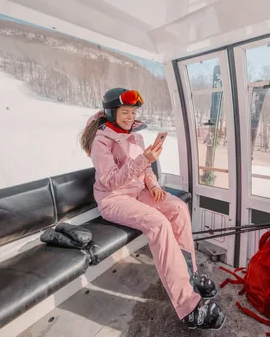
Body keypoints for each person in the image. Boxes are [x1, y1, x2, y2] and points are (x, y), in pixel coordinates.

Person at [80, 88, 226, 330]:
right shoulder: (101, 141)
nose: (130, 117)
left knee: (178, 208)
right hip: (114, 199)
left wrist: (154, 183)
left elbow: (145, 170)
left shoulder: (135, 135)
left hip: (139, 192)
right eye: (124, 112)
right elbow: (111, 181)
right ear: (110, 112)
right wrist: (144, 160)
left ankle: (189, 276)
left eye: (133, 112)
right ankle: (188, 306)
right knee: (158, 223)